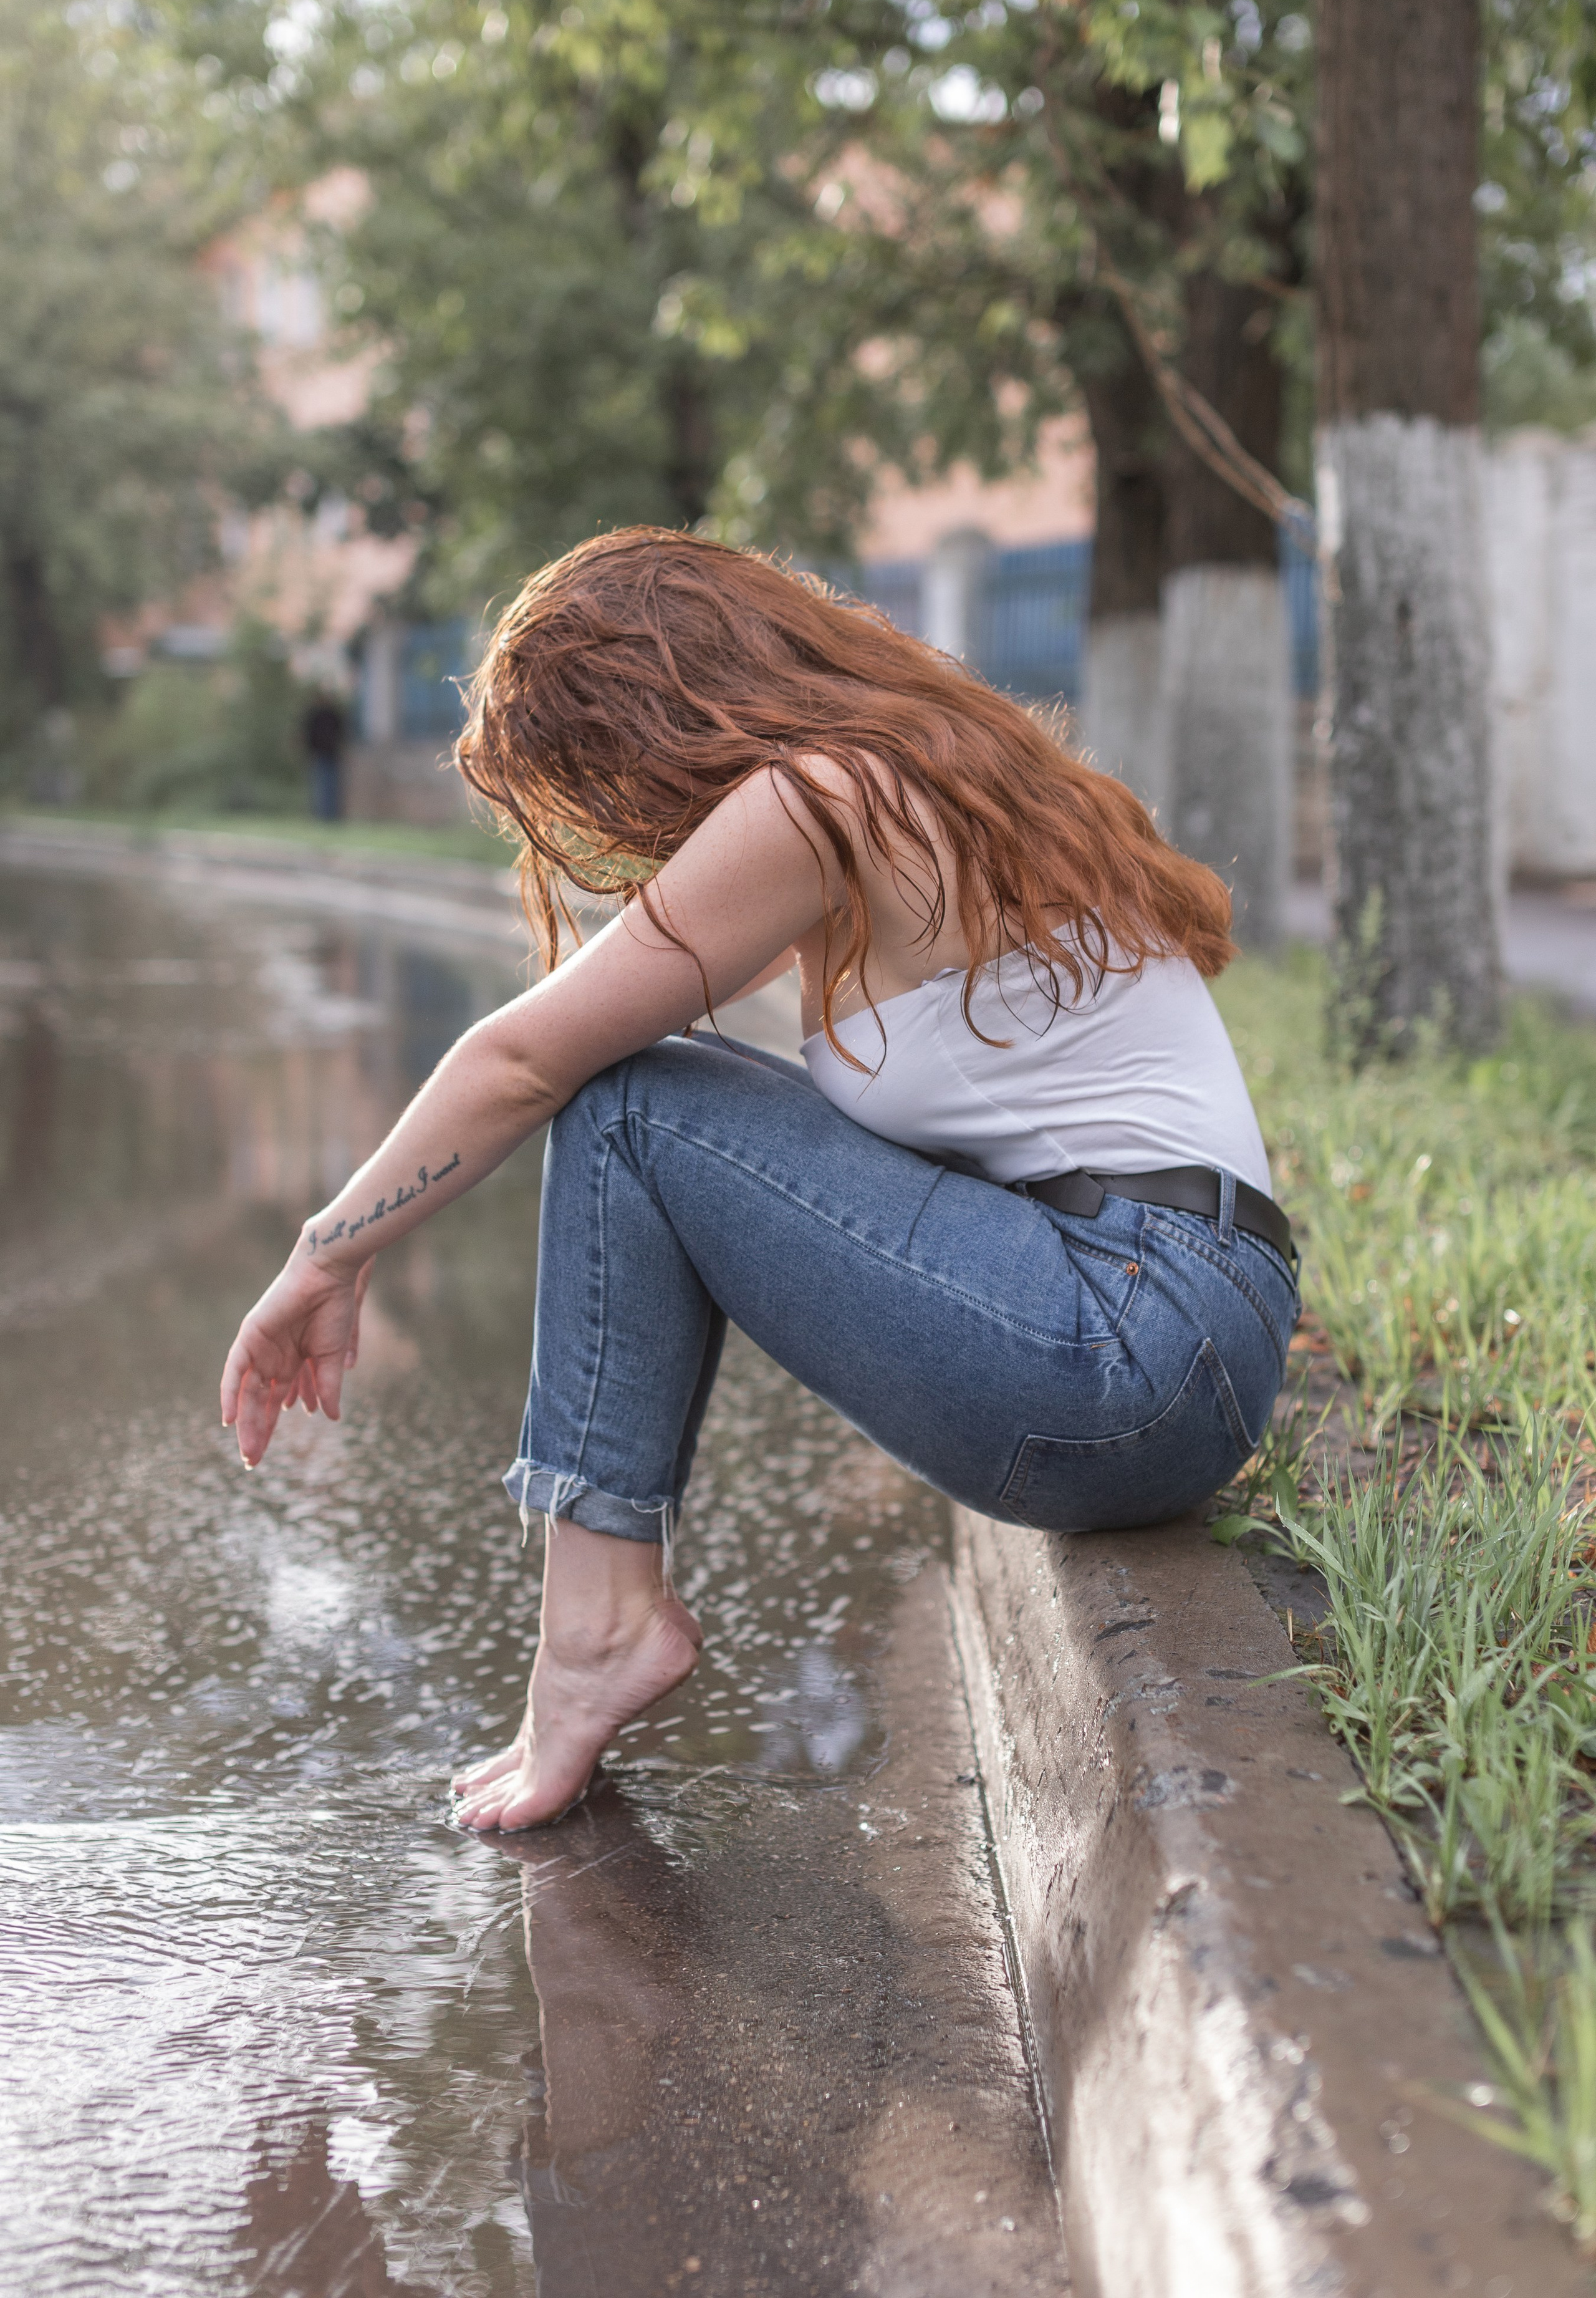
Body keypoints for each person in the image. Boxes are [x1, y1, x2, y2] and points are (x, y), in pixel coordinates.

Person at [221, 529, 1298, 1833]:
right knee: (640, 1084)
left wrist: (326, 1253)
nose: (614, 823)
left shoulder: (824, 800)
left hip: (1132, 1342)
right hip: (1177, 1334)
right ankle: (602, 1615)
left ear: (651, 717)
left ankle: (600, 1623)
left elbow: (526, 1056)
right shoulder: (907, 774)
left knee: (621, 1100)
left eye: (595, 777)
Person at [302, 690, 347, 823]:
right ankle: (321, 816)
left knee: (332, 787)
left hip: (332, 755)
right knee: (320, 787)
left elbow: (341, 734)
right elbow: (309, 734)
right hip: (319, 755)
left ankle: (332, 816)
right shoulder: (315, 715)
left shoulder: (334, 715)